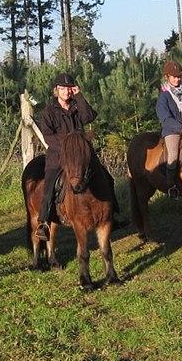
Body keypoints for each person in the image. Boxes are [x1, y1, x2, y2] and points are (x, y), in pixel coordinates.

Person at [35, 73, 127, 240]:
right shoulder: (49, 111)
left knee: (107, 177)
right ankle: (44, 222)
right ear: (56, 90)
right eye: (62, 88)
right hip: (59, 156)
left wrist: (80, 96)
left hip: (83, 155)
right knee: (49, 185)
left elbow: (90, 117)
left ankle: (112, 215)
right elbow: (48, 136)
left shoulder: (77, 105)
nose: (66, 92)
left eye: (69, 89)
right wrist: (67, 146)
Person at [156, 61, 182, 199]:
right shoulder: (164, 96)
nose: (177, 79)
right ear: (167, 77)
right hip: (172, 131)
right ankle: (171, 186)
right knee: (173, 155)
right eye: (173, 77)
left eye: (179, 77)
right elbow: (165, 118)